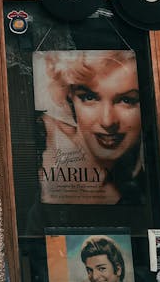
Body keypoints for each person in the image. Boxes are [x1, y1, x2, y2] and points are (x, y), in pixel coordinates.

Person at [36, 50, 143, 205]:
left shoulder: (148, 183)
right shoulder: (40, 151)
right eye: (89, 98)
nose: (107, 121)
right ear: (69, 100)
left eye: (126, 100)